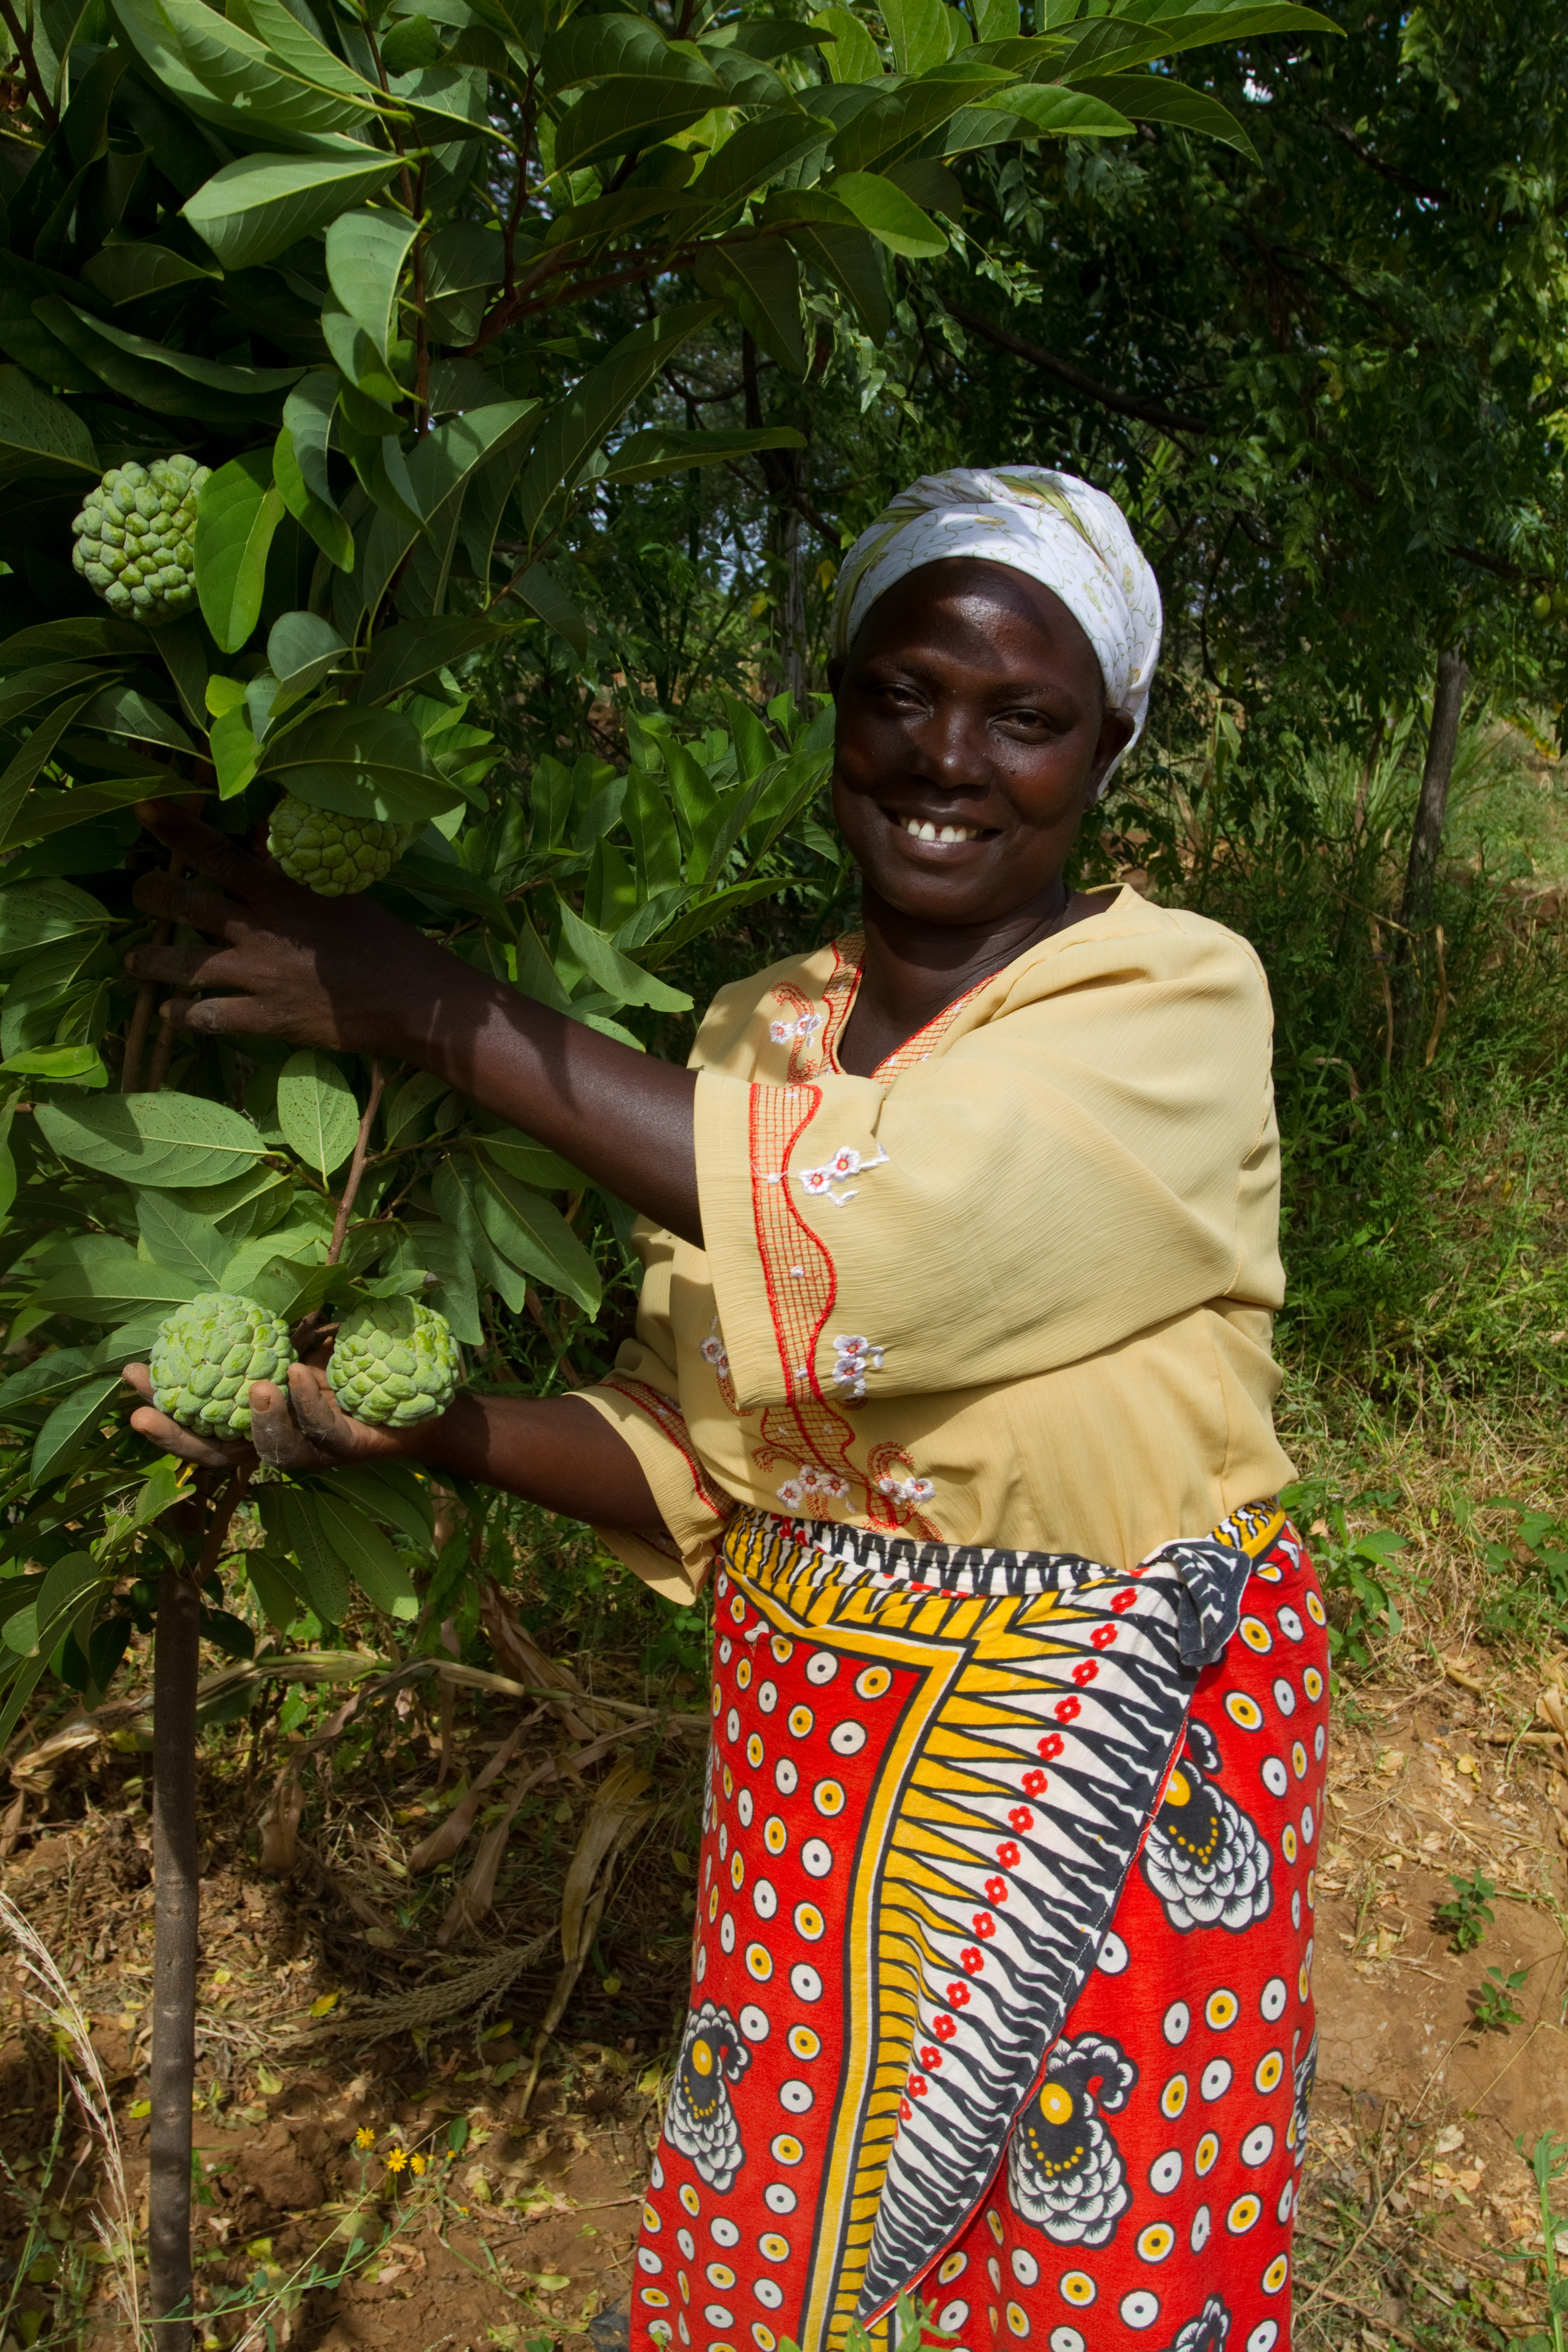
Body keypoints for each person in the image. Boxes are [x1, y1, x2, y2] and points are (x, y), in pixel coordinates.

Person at [124, 468, 1327, 2352]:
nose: (949, 756)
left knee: (1086, 2270)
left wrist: (433, 1009)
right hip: (807, 1763)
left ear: (1110, 750)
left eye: (1025, 717)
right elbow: (710, 1446)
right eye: (901, 693)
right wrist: (419, 1427)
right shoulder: (756, 1038)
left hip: (1104, 1751)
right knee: (778, 2243)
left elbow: (896, 1225)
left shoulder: (1168, 1001)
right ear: (837, 706)